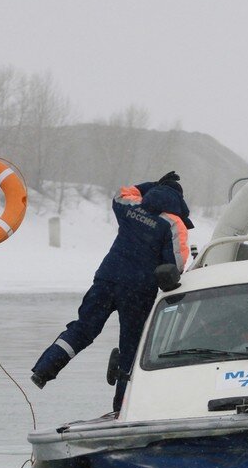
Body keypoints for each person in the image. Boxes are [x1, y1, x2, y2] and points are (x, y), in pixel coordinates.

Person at [31, 171, 194, 412]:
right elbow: (176, 265)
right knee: (131, 347)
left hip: (107, 278)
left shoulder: (130, 207)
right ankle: (121, 408)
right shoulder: (172, 222)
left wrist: (151, 186)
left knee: (83, 328)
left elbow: (121, 193)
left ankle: (44, 370)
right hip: (139, 291)